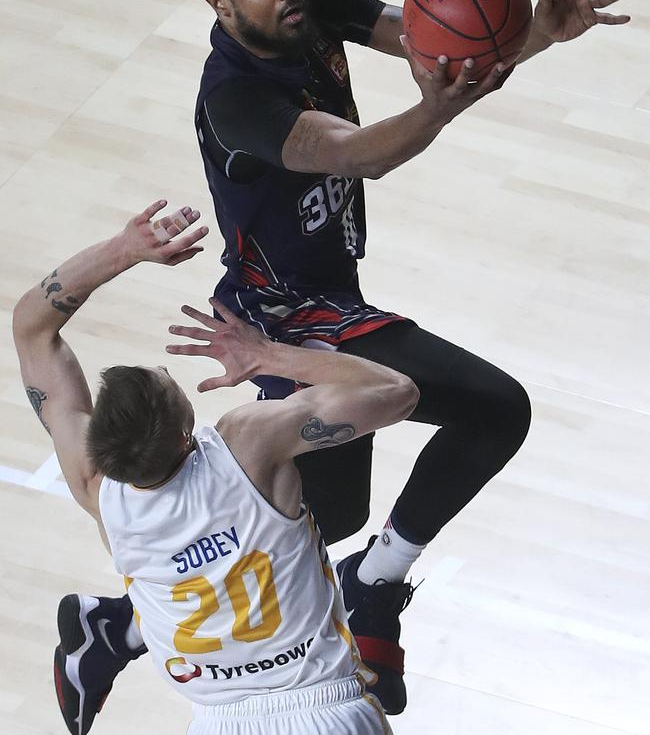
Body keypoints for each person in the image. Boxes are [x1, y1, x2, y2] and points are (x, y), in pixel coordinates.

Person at [53, 0, 631, 730]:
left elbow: (439, 49)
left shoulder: (313, 6)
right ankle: (366, 587)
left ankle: (122, 625)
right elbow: (359, 152)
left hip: (333, 299)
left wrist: (531, 34)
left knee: (330, 515)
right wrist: (439, 108)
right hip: (286, 317)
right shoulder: (236, 103)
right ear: (222, 3)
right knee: (494, 410)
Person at [13, 200, 420, 735]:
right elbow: (396, 391)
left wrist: (123, 250)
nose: (164, 368)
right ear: (186, 432)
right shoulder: (246, 445)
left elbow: (30, 328)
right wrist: (267, 356)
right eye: (167, 378)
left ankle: (117, 631)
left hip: (217, 721)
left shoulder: (98, 489)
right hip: (320, 708)